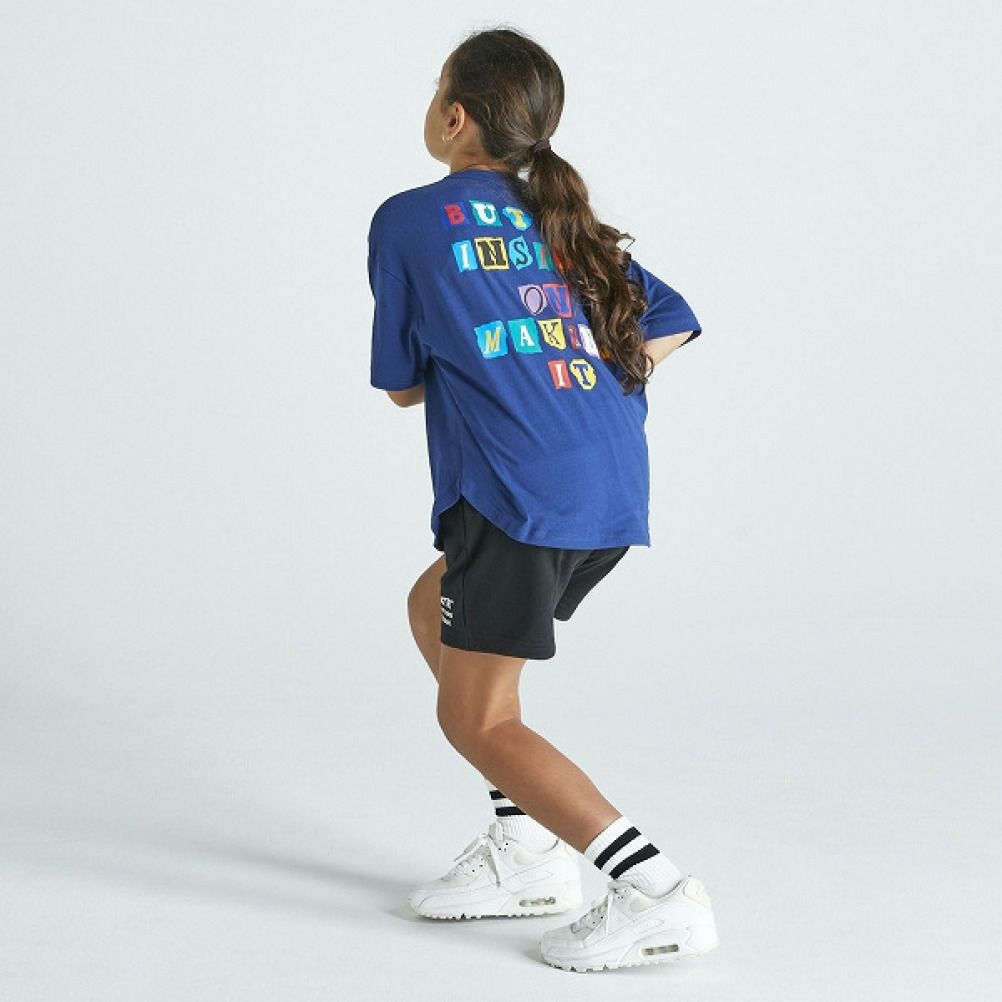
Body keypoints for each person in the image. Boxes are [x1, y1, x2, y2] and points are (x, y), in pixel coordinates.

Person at [366, 26, 719, 973]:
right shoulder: (560, 214)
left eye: (435, 91)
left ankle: (656, 892)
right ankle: (522, 850)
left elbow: (401, 385)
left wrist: (499, 365)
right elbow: (676, 317)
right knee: (431, 607)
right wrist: (585, 376)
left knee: (478, 720)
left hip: (518, 493)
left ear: (455, 115)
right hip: (610, 482)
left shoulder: (409, 220)